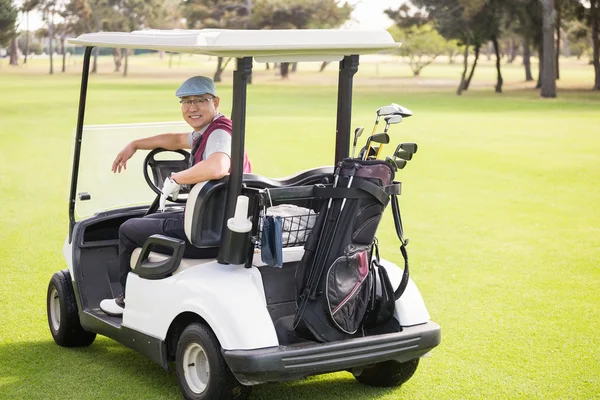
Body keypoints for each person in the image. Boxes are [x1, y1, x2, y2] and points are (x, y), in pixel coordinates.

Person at [100, 76, 252, 316]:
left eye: (200, 101)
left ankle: (126, 300)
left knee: (128, 229)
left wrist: (176, 178)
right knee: (148, 219)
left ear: (215, 102)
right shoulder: (206, 130)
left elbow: (217, 167)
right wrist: (135, 144)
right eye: (186, 101)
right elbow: (175, 140)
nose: (192, 108)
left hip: (209, 232)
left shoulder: (219, 134)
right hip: (214, 221)